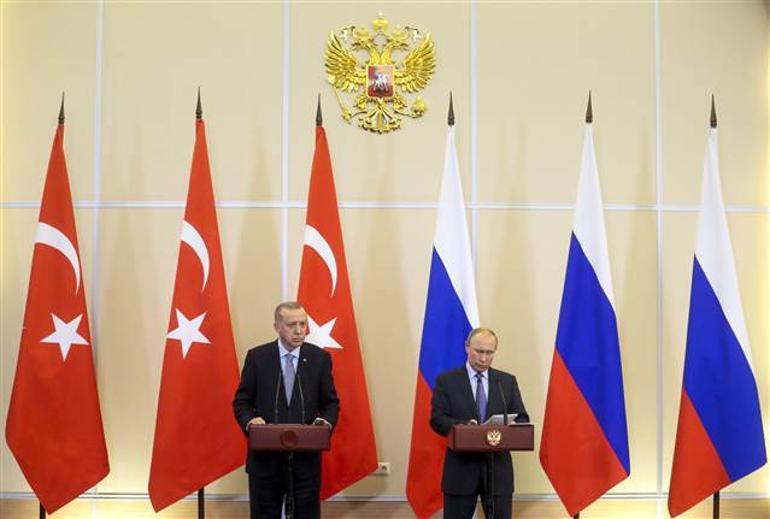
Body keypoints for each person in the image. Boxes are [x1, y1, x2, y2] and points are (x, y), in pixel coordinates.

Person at [233, 302, 339, 519]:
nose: (299, 331)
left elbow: (330, 403)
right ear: (277, 327)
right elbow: (242, 401)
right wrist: (251, 421)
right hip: (265, 462)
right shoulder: (258, 357)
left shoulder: (319, 358)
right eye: (292, 325)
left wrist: (324, 423)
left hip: (305, 463)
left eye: (303, 324)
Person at [430, 327, 529, 519]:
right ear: (467, 347)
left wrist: (508, 427)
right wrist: (464, 427)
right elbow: (437, 419)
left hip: (498, 471)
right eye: (479, 351)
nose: (484, 358)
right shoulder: (447, 381)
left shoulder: (506, 381)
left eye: (489, 353)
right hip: (461, 470)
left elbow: (521, 418)